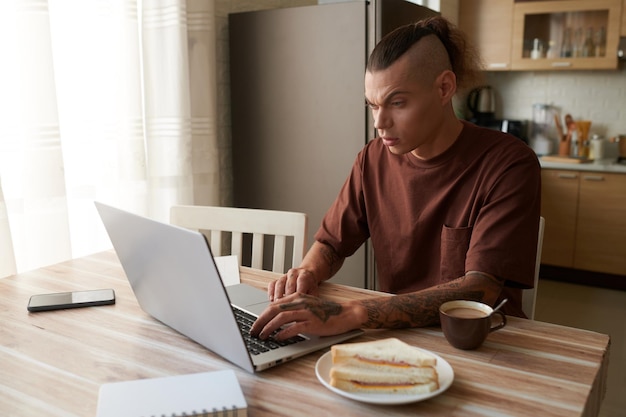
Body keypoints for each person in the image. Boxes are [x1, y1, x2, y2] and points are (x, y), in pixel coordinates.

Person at [250, 16, 541, 341]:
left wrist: (355, 313)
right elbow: (331, 245)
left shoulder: (508, 163)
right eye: (373, 105)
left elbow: (480, 290)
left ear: (445, 88)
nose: (380, 122)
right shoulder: (371, 160)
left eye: (397, 102)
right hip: (399, 335)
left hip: (480, 341)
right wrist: (306, 273)